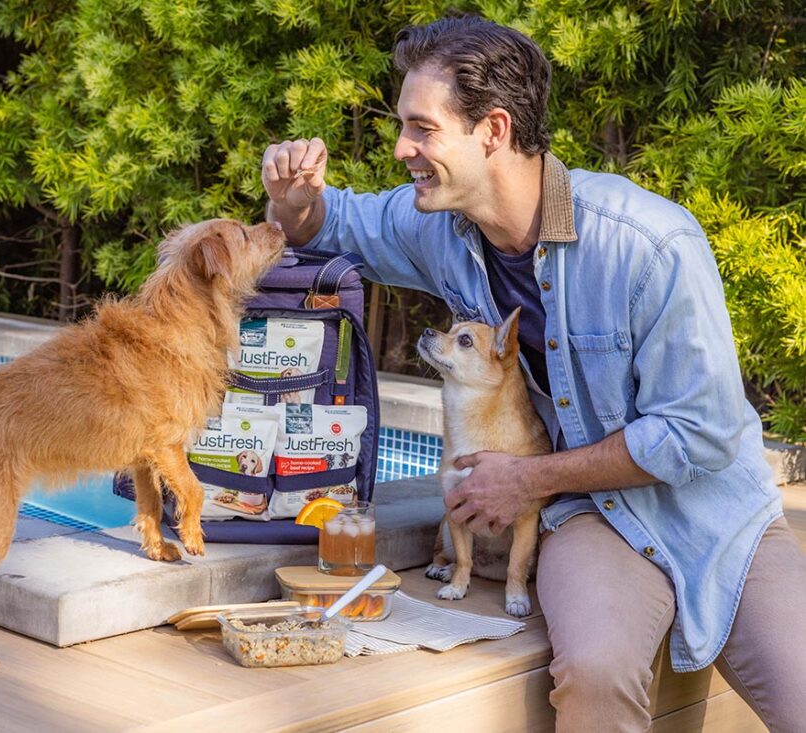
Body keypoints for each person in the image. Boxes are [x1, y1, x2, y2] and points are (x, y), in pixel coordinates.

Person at [261, 15, 806, 733]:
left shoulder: (650, 246)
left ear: (493, 130)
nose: (401, 149)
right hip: (586, 516)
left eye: (421, 129)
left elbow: (696, 436)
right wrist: (293, 199)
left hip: (716, 515)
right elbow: (331, 225)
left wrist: (529, 478)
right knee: (596, 673)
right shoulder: (440, 228)